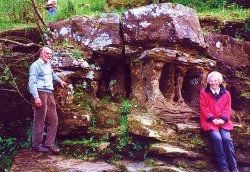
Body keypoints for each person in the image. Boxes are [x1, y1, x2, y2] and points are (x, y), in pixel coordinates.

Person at [29, 46, 67, 154]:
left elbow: (52, 74)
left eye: (51, 54)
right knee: (40, 119)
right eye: (47, 53)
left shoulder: (47, 64)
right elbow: (32, 83)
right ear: (41, 54)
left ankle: (49, 144)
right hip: (40, 93)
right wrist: (36, 97)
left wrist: (60, 81)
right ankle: (36, 145)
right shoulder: (35, 66)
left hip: (49, 93)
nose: (49, 55)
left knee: (53, 119)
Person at [200, 71, 238, 172]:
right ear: (208, 82)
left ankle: (234, 167)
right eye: (211, 81)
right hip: (209, 122)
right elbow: (204, 108)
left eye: (215, 80)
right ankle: (224, 167)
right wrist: (213, 119)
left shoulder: (226, 94)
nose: (213, 83)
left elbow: (227, 108)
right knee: (217, 139)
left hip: (223, 122)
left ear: (219, 81)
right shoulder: (204, 92)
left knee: (226, 139)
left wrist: (222, 119)